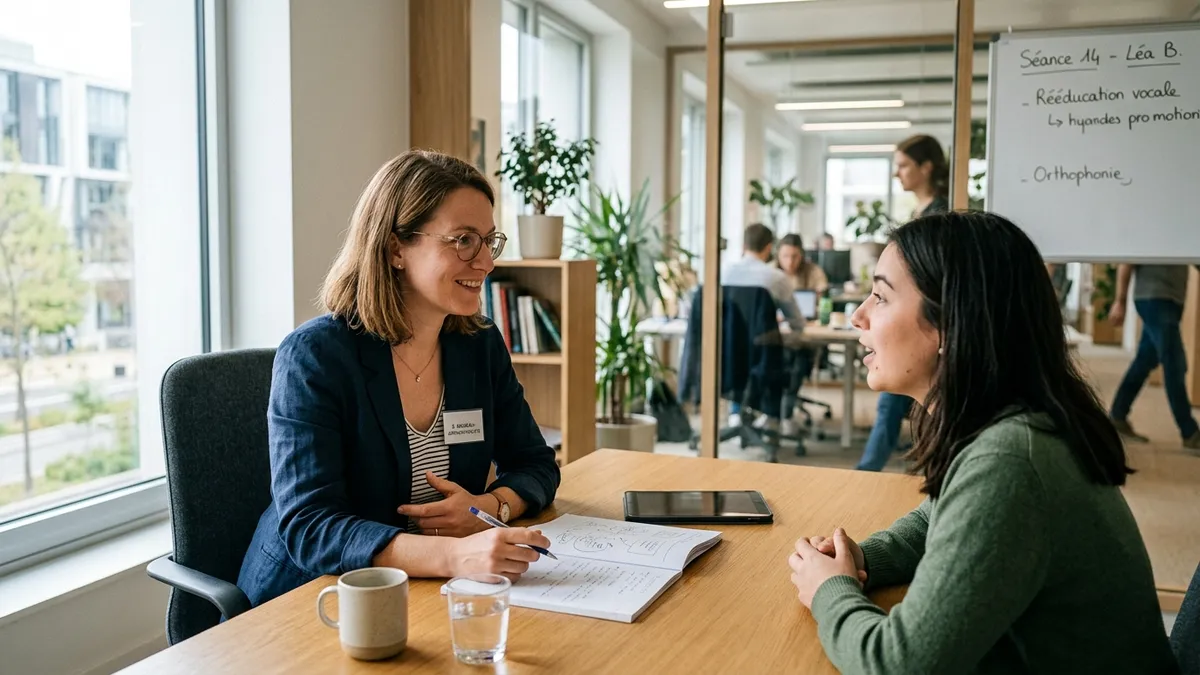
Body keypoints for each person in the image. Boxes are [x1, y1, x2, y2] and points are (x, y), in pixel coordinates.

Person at [785, 211, 1177, 674]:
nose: (857, 316)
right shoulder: (1017, 421)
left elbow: (897, 665)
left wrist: (830, 590)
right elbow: (942, 514)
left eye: (881, 297)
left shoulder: (1011, 462)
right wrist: (864, 557)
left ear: (949, 327)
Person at [237, 150, 560, 607]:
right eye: (464, 240)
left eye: (490, 240)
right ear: (395, 249)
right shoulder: (315, 357)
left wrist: (489, 508)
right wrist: (452, 555)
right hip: (316, 596)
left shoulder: (478, 345)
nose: (486, 262)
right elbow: (310, 525)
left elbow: (535, 462)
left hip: (430, 590)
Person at [856, 134, 950, 472]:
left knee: (890, 406)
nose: (897, 174)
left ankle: (867, 472)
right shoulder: (920, 212)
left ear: (926, 168)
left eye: (903, 165)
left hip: (922, 332)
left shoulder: (940, 220)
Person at [722, 223, 806, 441]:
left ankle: (736, 414)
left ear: (743, 245)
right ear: (769, 248)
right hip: (763, 357)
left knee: (739, 353)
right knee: (796, 354)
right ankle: (772, 416)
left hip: (726, 356)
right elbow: (797, 324)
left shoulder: (722, 273)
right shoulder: (776, 278)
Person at [1109, 263, 1200, 452]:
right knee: (1174, 363)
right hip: (1154, 297)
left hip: (1173, 300)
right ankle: (1190, 432)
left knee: (1145, 360)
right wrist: (1120, 300)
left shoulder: (1184, 234)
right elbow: (1126, 263)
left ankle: (1118, 415)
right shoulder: (1150, 233)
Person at [775, 233, 825, 434]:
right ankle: (773, 412)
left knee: (796, 360)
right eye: (785, 256)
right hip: (775, 337)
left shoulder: (813, 272)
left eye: (795, 256)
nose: (790, 261)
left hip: (802, 338)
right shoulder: (771, 273)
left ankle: (785, 413)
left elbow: (821, 299)